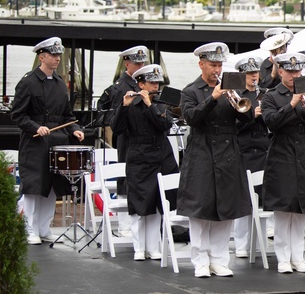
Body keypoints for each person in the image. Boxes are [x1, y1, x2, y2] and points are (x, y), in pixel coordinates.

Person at [177, 42, 254, 278]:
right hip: (202, 151)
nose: (217, 69)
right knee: (201, 210)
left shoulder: (231, 87)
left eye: (220, 64)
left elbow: (249, 118)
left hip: (229, 152)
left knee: (226, 208)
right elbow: (191, 118)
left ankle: (220, 259)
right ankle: (200, 260)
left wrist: (240, 101)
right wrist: (212, 98)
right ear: (201, 64)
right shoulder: (191, 90)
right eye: (213, 64)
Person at [11, 37, 85, 244]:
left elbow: (67, 116)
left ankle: (44, 228)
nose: (57, 58)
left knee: (52, 186)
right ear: (41, 56)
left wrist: (76, 129)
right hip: (34, 142)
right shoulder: (28, 82)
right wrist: (36, 127)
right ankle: (29, 228)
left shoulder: (61, 84)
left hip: (57, 141)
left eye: (58, 55)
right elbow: (17, 114)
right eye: (53, 55)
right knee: (34, 186)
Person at [260, 52, 305, 274]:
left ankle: (298, 256)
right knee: (283, 212)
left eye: (297, 71)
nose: (294, 75)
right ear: (280, 71)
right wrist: (292, 103)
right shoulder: (271, 96)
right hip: (283, 157)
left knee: (301, 212)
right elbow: (271, 123)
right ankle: (282, 257)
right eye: (290, 71)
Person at [113, 64, 178, 261]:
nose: (156, 87)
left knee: (158, 204)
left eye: (157, 83)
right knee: (140, 205)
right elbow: (117, 129)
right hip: (139, 159)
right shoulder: (130, 103)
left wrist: (150, 105)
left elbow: (164, 125)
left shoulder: (161, 103)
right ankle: (139, 247)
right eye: (151, 83)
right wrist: (123, 107)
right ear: (140, 84)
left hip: (160, 157)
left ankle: (154, 246)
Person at [96, 45, 148, 236]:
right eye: (137, 63)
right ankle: (125, 225)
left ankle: (139, 223)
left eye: (143, 62)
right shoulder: (120, 88)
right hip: (127, 138)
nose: (141, 65)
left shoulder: (143, 83)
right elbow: (113, 118)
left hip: (143, 139)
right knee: (125, 177)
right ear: (127, 63)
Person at [232, 56, 270, 260]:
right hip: (245, 151)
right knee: (244, 200)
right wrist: (252, 117)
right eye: (249, 73)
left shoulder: (265, 94)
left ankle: (261, 241)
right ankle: (241, 244)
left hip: (263, 150)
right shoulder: (236, 96)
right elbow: (233, 127)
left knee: (263, 199)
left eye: (255, 73)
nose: (253, 76)